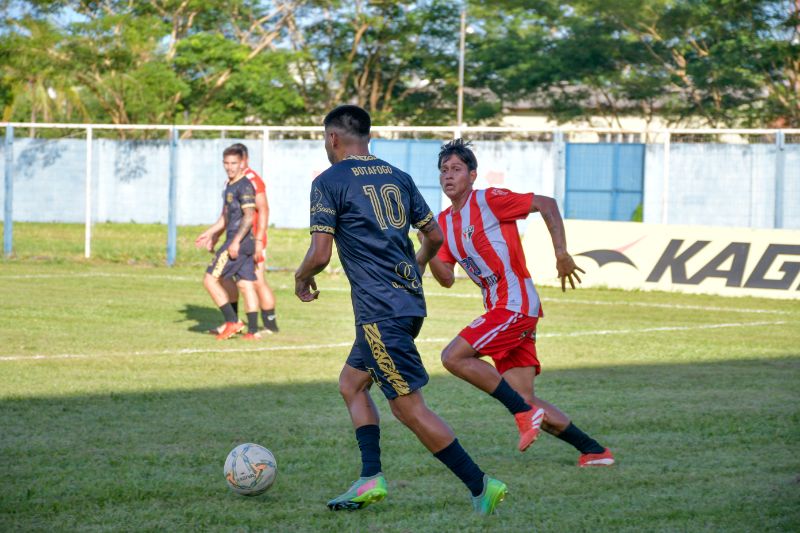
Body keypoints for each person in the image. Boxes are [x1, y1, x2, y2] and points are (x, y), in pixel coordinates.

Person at [294, 106, 507, 515]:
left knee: (408, 407)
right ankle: (369, 478)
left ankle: (481, 484)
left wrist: (302, 278)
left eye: (325, 139)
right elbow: (435, 235)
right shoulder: (398, 176)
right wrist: (418, 264)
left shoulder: (328, 182)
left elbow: (320, 254)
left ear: (334, 138)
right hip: (407, 304)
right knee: (351, 384)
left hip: (379, 311)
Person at [421, 138, 615, 467]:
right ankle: (594, 451)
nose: (449, 175)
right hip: (504, 310)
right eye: (444, 170)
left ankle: (523, 415)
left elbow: (547, 204)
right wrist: (427, 245)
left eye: (456, 169)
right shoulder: (443, 223)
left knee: (452, 357)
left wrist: (561, 253)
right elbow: (446, 278)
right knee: (525, 396)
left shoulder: (489, 201)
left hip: (514, 306)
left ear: (472, 175)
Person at [196, 143, 279, 338]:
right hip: (239, 238)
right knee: (241, 282)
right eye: (226, 162)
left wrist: (259, 240)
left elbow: (261, 210)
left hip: (248, 238)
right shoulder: (230, 182)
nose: (229, 166)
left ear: (244, 161)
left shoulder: (250, 180)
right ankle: (244, 327)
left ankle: (266, 325)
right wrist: (213, 234)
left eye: (234, 162)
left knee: (255, 281)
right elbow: (227, 215)